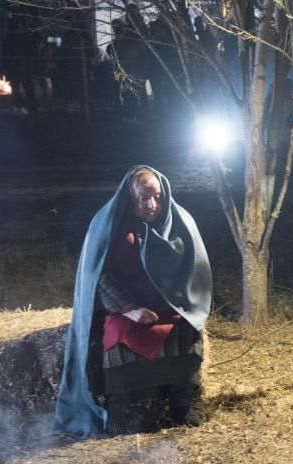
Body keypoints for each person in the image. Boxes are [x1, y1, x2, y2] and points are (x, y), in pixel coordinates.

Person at [55, 166, 213, 438]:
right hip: (126, 310)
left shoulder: (181, 223)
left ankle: (184, 404)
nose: (152, 205)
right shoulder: (109, 226)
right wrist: (129, 308)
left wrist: (181, 305)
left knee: (187, 332)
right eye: (143, 199)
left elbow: (194, 271)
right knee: (118, 335)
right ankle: (120, 411)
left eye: (158, 197)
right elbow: (99, 276)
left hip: (171, 307)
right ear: (130, 199)